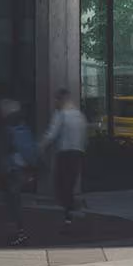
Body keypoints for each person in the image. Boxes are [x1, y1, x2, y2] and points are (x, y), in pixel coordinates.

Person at [39, 89, 88, 227]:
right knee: (69, 183)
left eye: (56, 99)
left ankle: (70, 212)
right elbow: (84, 136)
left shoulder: (60, 114)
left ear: (61, 100)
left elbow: (51, 134)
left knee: (61, 184)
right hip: (77, 153)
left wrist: (41, 146)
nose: (55, 102)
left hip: (65, 154)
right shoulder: (79, 115)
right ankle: (71, 212)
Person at [0, 99, 35, 246]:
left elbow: (4, 149)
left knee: (12, 203)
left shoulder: (9, 126)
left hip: (12, 170)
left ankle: (18, 233)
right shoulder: (22, 125)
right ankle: (18, 232)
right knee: (14, 201)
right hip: (19, 169)